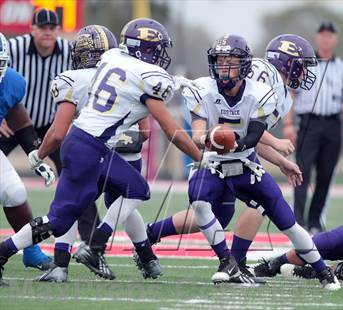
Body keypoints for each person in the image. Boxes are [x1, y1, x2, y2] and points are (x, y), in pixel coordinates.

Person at [0, 18, 211, 286]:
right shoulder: (143, 76)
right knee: (136, 190)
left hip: (84, 144)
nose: (160, 56)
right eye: (157, 49)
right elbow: (171, 131)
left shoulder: (112, 61)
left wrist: (39, 154)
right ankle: (97, 245)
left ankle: (4, 252)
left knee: (59, 219)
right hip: (93, 147)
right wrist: (200, 158)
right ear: (146, 50)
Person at [146, 34, 317, 278]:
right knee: (258, 204)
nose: (304, 73)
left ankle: (150, 233)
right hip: (215, 137)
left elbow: (252, 138)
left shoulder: (281, 92)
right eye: (302, 65)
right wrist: (277, 145)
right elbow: (238, 129)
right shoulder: (262, 79)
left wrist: (281, 162)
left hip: (234, 147)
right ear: (289, 64)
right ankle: (235, 263)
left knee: (217, 214)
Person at [182, 34, 340, 289]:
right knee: (200, 202)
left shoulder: (263, 92)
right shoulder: (205, 88)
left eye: (230, 61)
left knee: (286, 220)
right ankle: (228, 263)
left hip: (244, 162)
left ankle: (323, 271)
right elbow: (201, 132)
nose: (224, 67)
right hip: (214, 161)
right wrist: (206, 139)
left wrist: (276, 157)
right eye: (221, 61)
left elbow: (252, 132)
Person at [31, 25, 146, 282]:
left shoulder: (72, 77)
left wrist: (39, 153)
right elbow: (145, 129)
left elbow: (60, 128)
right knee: (130, 196)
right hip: (119, 148)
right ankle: (129, 253)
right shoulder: (126, 75)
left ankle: (63, 262)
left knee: (69, 207)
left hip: (85, 146)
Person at [3, 8, 101, 252]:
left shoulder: (70, 52)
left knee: (75, 172)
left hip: (51, 123)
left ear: (58, 30)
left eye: (51, 28)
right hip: (10, 123)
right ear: (32, 29)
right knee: (7, 185)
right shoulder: (11, 49)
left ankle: (92, 240)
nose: (47, 32)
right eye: (42, 27)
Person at [282, 21, 343, 234]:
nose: (326, 38)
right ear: (317, 38)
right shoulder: (304, 63)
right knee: (301, 172)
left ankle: (315, 221)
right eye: (322, 34)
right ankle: (297, 221)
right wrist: (288, 123)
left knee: (326, 174)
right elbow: (291, 94)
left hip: (333, 124)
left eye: (330, 35)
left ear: (335, 39)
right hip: (309, 123)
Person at [0, 32, 55, 275]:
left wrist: (36, 154)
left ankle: (30, 252)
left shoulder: (11, 81)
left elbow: (19, 121)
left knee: (14, 192)